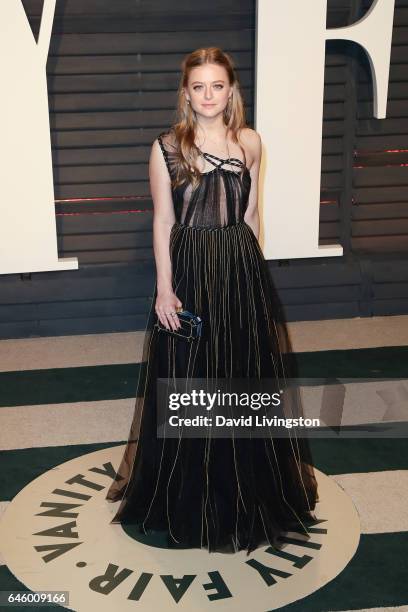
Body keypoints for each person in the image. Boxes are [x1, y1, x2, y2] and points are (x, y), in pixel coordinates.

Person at [106, 46, 319, 555]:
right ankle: (189, 495)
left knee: (242, 373)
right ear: (186, 93)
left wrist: (258, 278)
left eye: (217, 86)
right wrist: (164, 287)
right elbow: (163, 221)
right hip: (191, 271)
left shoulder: (249, 142)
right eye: (198, 86)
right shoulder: (166, 147)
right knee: (190, 376)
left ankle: (245, 490)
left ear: (231, 91)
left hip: (240, 269)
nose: (207, 95)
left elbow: (249, 217)